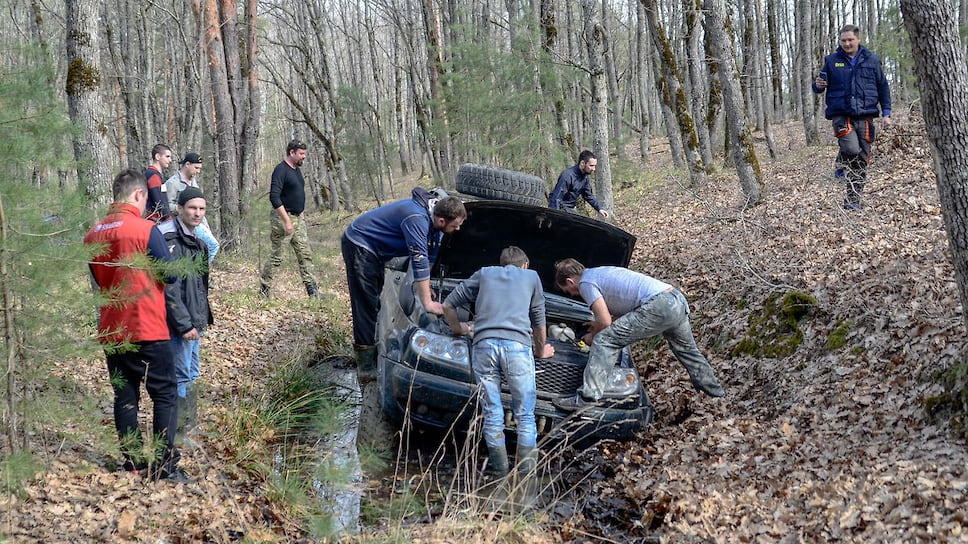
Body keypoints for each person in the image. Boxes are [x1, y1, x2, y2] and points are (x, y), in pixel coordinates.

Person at [84, 169, 187, 483]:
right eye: (145, 199)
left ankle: (132, 461)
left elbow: (99, 280)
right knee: (165, 394)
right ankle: (164, 466)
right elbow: (169, 275)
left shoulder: (94, 233)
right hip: (147, 326)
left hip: (113, 327)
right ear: (139, 195)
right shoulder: (145, 229)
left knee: (125, 396)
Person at [442, 246, 554, 488]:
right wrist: (540, 349)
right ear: (525, 264)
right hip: (517, 348)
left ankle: (500, 476)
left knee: (493, 413)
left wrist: (458, 328)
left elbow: (448, 305)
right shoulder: (532, 276)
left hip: (483, 346)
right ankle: (525, 480)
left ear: (503, 263)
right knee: (524, 414)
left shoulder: (483, 273)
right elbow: (539, 319)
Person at [552, 259, 724, 411]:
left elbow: (604, 322)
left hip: (659, 306)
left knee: (604, 340)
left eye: (568, 291)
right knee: (688, 351)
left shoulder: (585, 283)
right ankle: (715, 395)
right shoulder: (600, 273)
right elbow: (622, 312)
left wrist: (592, 336)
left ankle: (587, 397)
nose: (573, 295)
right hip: (675, 299)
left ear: (570, 281)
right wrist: (596, 325)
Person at [341, 189, 466, 380]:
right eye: (456, 226)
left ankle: (371, 347)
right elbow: (419, 259)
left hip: (377, 251)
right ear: (442, 220)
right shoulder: (416, 218)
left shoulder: (437, 225)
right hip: (361, 243)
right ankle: (366, 367)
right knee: (365, 304)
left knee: (374, 300)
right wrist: (427, 303)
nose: (458, 229)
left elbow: (429, 259)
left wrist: (425, 287)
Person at [812, 24, 892, 210]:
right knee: (851, 148)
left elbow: (883, 87)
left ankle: (852, 201)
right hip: (841, 115)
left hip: (866, 115)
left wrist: (886, 113)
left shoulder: (872, 60)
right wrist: (817, 85)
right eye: (843, 41)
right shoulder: (832, 61)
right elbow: (818, 87)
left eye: (850, 40)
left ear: (858, 39)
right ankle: (841, 160)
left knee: (861, 160)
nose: (847, 44)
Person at [158, 187, 213, 447]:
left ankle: (188, 425)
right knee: (180, 375)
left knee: (192, 371)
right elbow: (169, 288)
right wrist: (184, 324)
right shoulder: (170, 238)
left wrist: (200, 321)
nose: (197, 213)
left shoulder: (198, 241)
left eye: (201, 209)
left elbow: (199, 287)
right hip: (178, 324)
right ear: (179, 208)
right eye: (192, 208)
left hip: (194, 321)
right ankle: (177, 432)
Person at [259, 140, 321, 299]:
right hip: (282, 218)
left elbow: (296, 193)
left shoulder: (296, 170)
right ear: (292, 152)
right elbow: (274, 197)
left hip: (298, 218)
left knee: (305, 254)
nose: (304, 157)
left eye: (304, 154)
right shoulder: (281, 170)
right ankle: (264, 290)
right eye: (301, 154)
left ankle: (313, 291)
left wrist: (301, 214)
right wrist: (286, 220)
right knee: (277, 256)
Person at [164, 152, 220, 264]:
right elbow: (167, 205)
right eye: (196, 168)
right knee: (212, 245)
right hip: (182, 223)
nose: (198, 171)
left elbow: (199, 204)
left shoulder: (193, 182)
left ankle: (200, 274)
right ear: (187, 164)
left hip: (197, 223)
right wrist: (184, 208)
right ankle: (199, 273)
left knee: (207, 247)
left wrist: (205, 223)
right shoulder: (172, 183)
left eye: (199, 168)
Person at [547, 150, 609, 219]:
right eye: (591, 166)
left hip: (569, 210)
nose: (593, 169)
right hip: (560, 210)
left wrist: (600, 209)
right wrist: (554, 217)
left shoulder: (584, 178)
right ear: (582, 163)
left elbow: (589, 196)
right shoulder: (567, 175)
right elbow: (556, 198)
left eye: (594, 166)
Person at [144, 144, 173, 222]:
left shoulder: (155, 174)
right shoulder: (154, 176)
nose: (170, 160)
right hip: (154, 219)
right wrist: (167, 217)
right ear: (157, 157)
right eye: (167, 157)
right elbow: (158, 199)